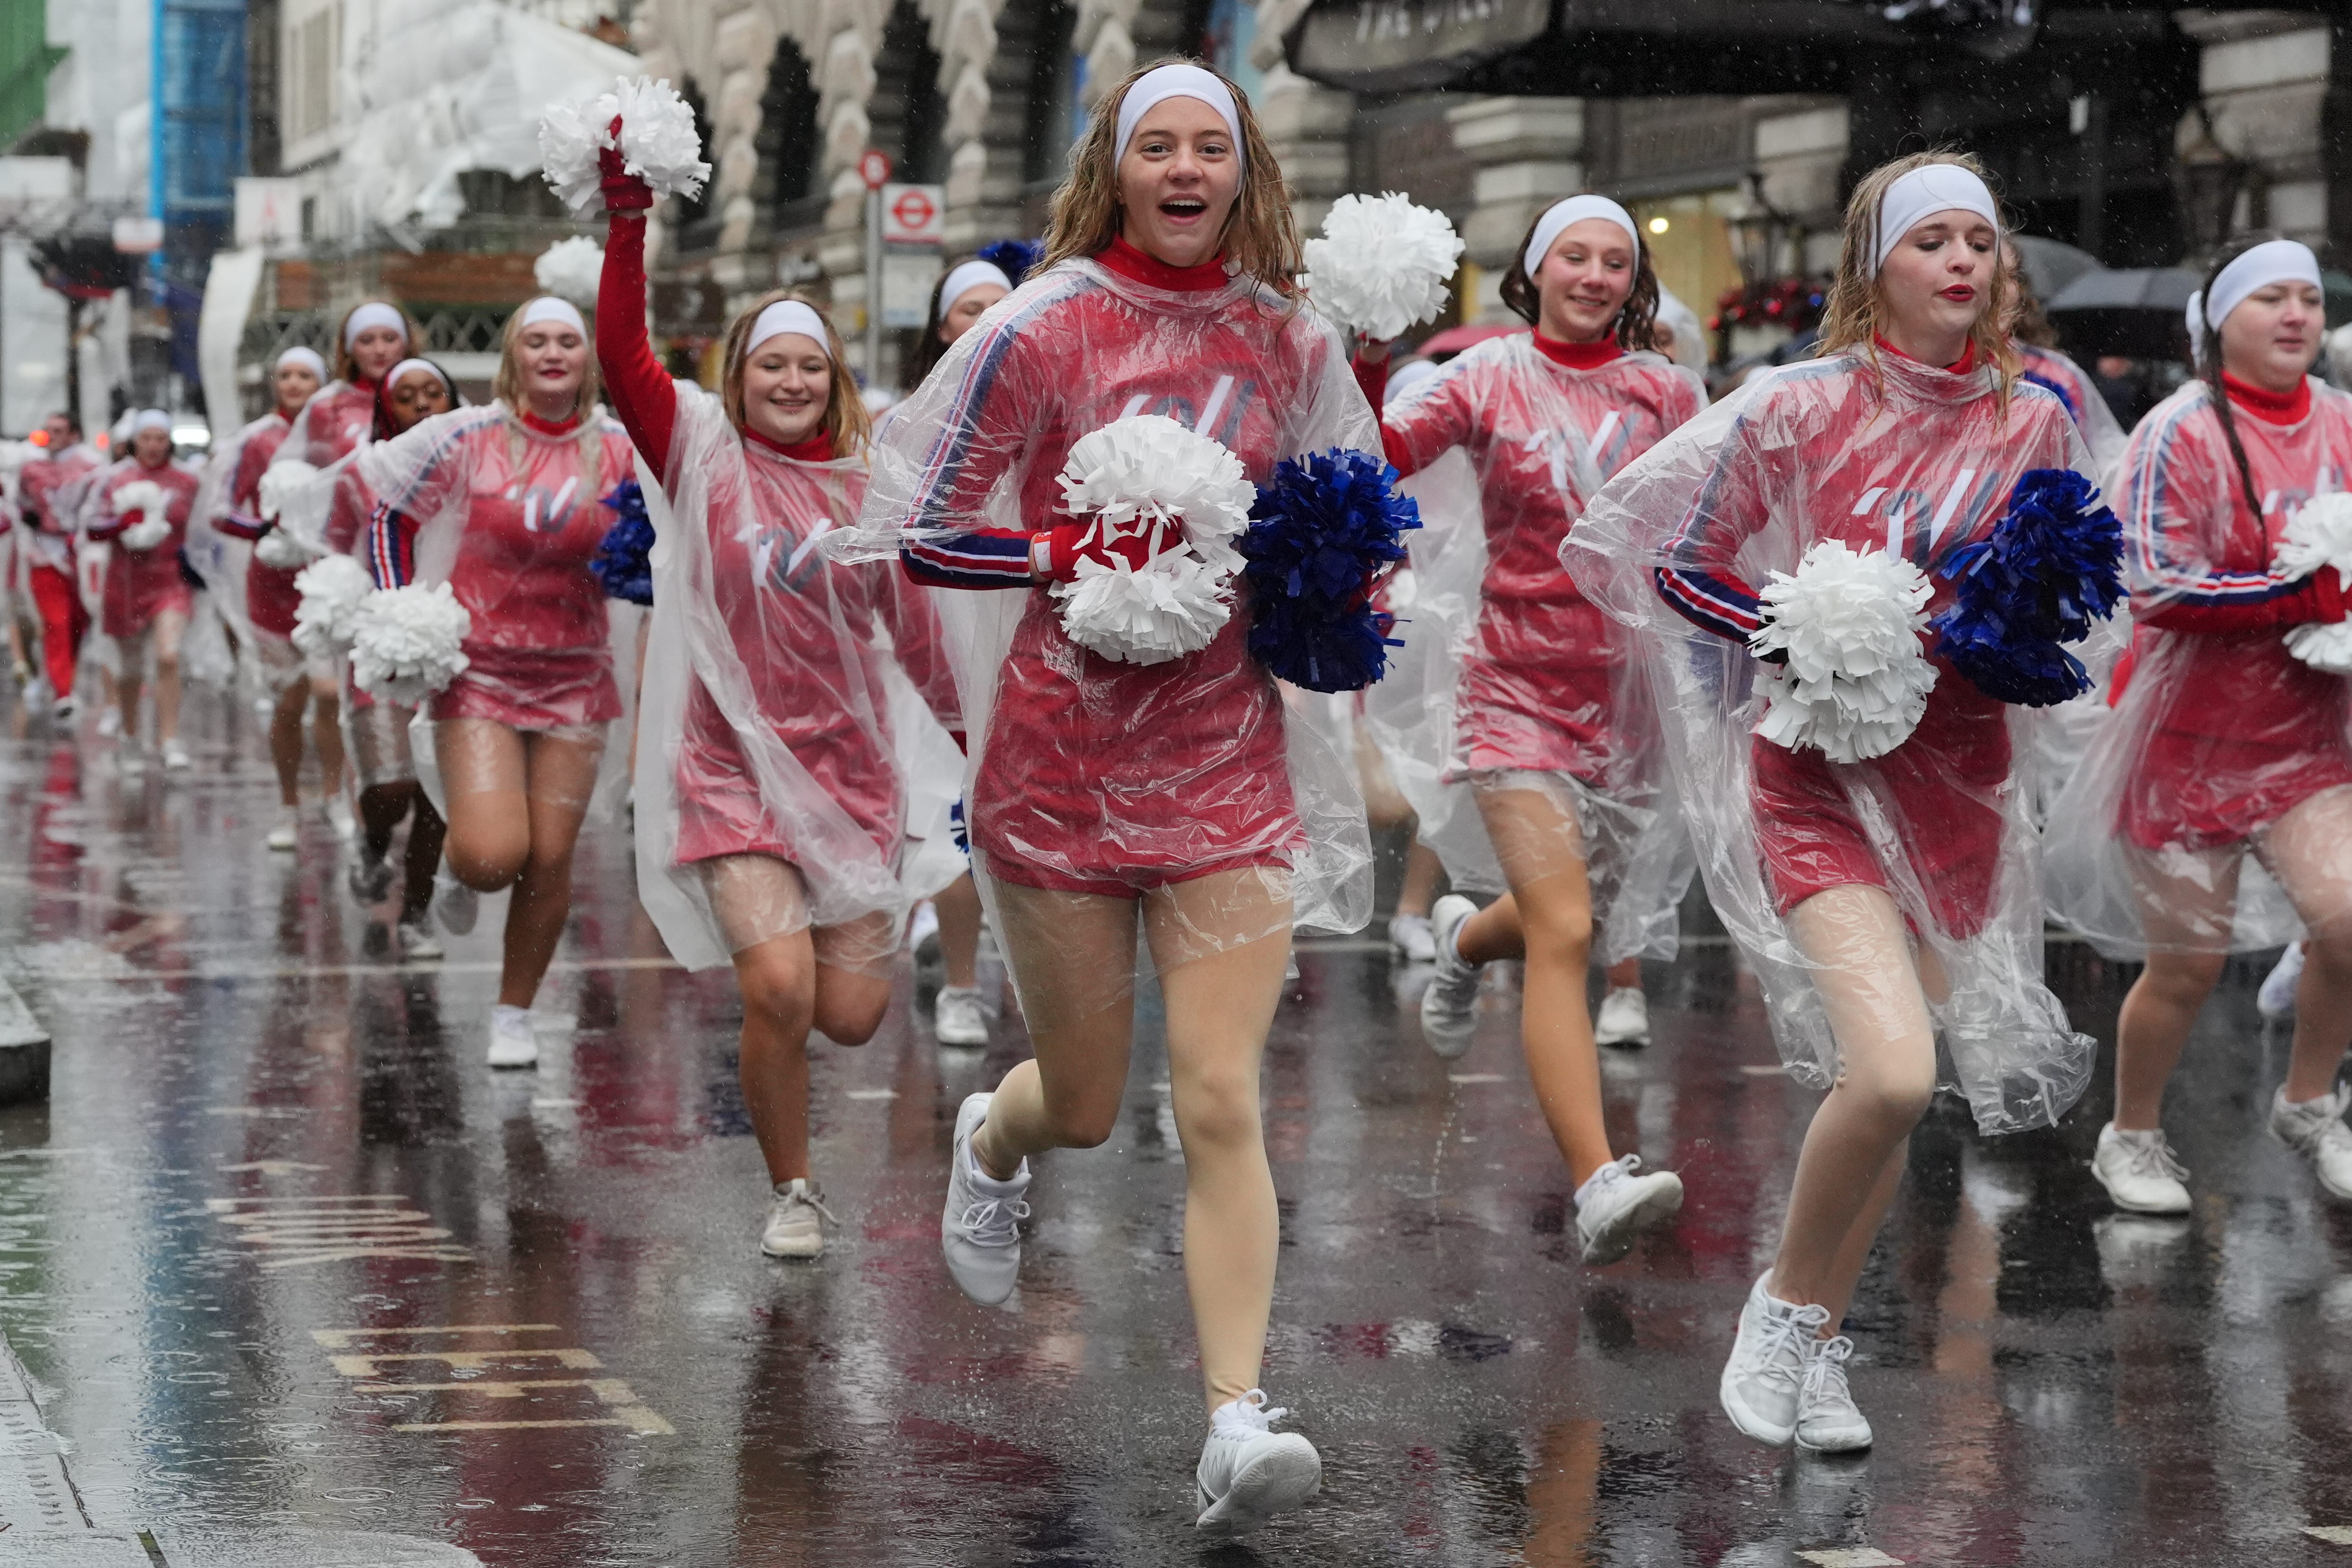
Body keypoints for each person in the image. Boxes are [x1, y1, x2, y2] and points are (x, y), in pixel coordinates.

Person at [850, 59, 1378, 1535]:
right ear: (1118, 165)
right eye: (1160, 145)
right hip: (1059, 768)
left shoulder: (1289, 336)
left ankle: (1232, 1414)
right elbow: (924, 526)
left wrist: (1326, 566)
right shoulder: (1040, 327)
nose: (1188, 168)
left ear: (1246, 168)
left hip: (1226, 764)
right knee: (1083, 1108)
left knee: (1218, 1096)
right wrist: (1081, 553)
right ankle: (993, 1138)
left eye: (1214, 145)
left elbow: (1354, 510)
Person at [1569, 153, 2100, 1453]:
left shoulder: (2035, 415)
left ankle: (1816, 1345)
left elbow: (2040, 596)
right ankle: (1787, 1309)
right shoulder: (1792, 407)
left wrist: (2000, 629)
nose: (1965, 263)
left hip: (1959, 789)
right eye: (1934, 243)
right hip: (1818, 779)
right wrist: (1796, 630)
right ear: (1877, 266)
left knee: (1889, 1095)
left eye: (1982, 239)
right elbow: (1675, 560)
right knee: (1898, 1074)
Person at [600, 165, 963, 1255]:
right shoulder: (700, 456)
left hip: (854, 779)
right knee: (778, 987)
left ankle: (805, 1056)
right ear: (739, 375)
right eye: (773, 363)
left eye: (812, 363)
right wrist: (630, 220)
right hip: (731, 773)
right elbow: (624, 357)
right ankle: (795, 1186)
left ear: (835, 375)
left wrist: (979, 745)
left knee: (847, 1015)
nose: (793, 379)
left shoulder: (871, 487)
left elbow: (914, 634)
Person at [1355, 194, 1700, 1264]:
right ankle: (1598, 1178)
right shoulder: (1487, 376)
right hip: (1512, 687)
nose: (1597, 276)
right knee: (1564, 934)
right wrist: (1368, 353)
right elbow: (1375, 453)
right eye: (1576, 258)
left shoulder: (1668, 389)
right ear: (1535, 272)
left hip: (1629, 701)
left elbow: (1716, 515)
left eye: (1616, 261)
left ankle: (1463, 938)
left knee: (1574, 913)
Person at [2044, 236, 2352, 1211]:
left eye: (2308, 297)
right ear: (2220, 321)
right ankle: (2131, 1134)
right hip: (2184, 743)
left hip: (2307, 741)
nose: (2296, 315)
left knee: (2349, 927)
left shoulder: (2346, 420)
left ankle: (2308, 1103)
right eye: (2271, 299)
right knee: (2186, 968)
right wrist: (2299, 596)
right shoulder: (2176, 431)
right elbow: (2155, 585)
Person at [361, 300, 635, 1066]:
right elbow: (389, 515)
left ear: (587, 357)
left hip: (578, 677)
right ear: (514, 357)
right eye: (536, 341)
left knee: (550, 856)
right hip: (478, 670)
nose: (553, 353)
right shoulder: (465, 436)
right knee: (492, 858)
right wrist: (400, 604)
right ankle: (456, 858)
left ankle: (514, 1012)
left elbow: (667, 532)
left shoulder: (619, 446)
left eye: (569, 341)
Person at [901, 254, 1018, 1047]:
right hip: (932, 649)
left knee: (1015, 821)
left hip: (1025, 644)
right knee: (952, 816)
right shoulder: (903, 427)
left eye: (998, 307)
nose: (982, 320)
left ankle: (1026, 972)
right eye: (965, 309)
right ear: (941, 330)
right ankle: (965, 987)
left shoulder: (1053, 406)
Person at [324, 360, 459, 958]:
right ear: (387, 410)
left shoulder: (478, 465)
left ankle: (416, 911)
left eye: (435, 393)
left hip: (459, 645)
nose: (424, 404)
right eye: (408, 397)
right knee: (391, 783)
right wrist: (351, 598)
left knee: (436, 793)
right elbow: (331, 544)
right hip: (382, 640)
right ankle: (373, 841)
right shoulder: (360, 472)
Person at [205, 347, 346, 847]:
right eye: (284, 374)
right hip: (270, 586)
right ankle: (288, 805)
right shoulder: (255, 440)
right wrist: (267, 530)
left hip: (328, 583)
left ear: (321, 382)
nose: (293, 383)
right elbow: (219, 511)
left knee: (330, 693)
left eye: (305, 374)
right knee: (289, 700)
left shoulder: (336, 436)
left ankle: (335, 796)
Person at [86, 411, 201, 767]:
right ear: (134, 442)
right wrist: (122, 523)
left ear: (170, 442)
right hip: (127, 581)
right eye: (146, 438)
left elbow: (201, 528)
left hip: (171, 581)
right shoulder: (114, 480)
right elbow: (91, 526)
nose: (153, 446)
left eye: (160, 439)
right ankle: (131, 737)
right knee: (130, 667)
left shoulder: (186, 482)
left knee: (169, 656)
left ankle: (169, 738)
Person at [19, 413, 101, 719]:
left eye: (58, 431)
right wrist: (28, 517)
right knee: (56, 622)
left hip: (81, 557)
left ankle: (64, 675)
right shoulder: (31, 469)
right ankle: (63, 693)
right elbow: (21, 504)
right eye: (48, 430)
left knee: (78, 623)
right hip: (43, 554)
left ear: (73, 435)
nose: (51, 436)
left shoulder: (92, 469)